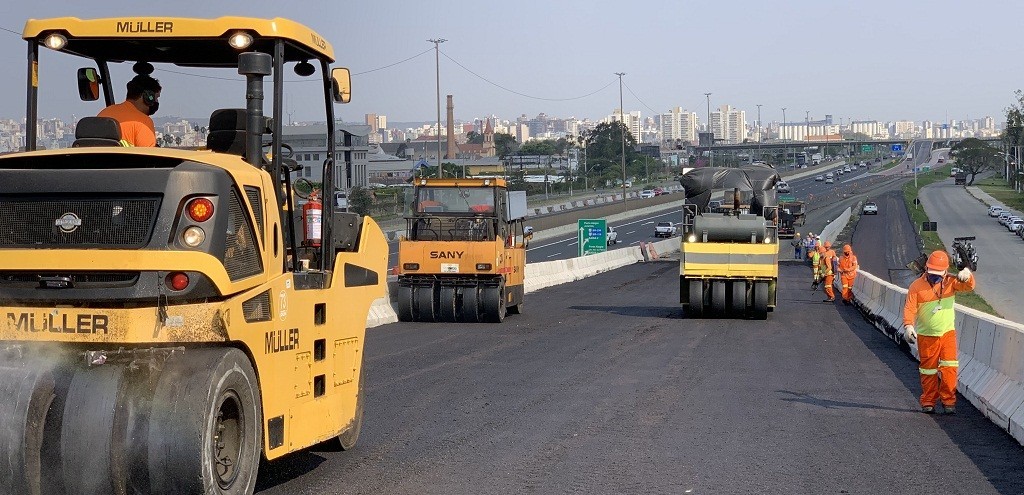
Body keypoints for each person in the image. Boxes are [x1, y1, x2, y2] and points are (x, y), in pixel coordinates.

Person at [902, 250, 975, 414]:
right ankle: (928, 401)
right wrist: (908, 326)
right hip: (927, 336)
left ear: (945, 271)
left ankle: (949, 402)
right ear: (926, 269)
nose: (934, 277)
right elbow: (909, 308)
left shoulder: (951, 282)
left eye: (938, 274)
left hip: (947, 334)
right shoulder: (916, 286)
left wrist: (967, 274)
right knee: (928, 370)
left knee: (950, 368)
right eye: (932, 273)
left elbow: (968, 286)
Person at [97, 74, 161, 147]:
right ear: (148, 97)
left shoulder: (104, 112)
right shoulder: (143, 122)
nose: (157, 102)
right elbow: (149, 153)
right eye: (156, 98)